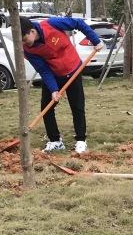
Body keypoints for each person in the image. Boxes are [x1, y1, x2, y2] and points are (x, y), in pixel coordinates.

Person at [19, 16, 103, 154]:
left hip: (73, 70)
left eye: (24, 39)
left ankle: (81, 141)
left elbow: (78, 23)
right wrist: (53, 89)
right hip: (54, 74)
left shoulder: (52, 24)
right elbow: (43, 69)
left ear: (32, 32)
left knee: (77, 107)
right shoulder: (28, 50)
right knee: (47, 107)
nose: (24, 43)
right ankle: (55, 141)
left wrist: (95, 40)